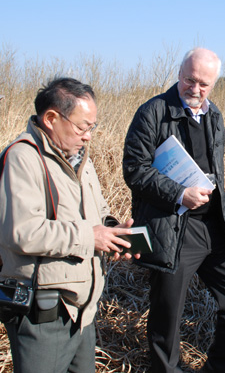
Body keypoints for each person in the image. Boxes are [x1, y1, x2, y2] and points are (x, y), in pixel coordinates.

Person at [123, 48, 225, 373]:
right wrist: (179, 194)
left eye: (203, 84)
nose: (195, 88)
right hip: (173, 227)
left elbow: (218, 173)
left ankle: (221, 367)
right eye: (189, 79)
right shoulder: (152, 111)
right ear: (180, 73)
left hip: (215, 227)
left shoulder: (215, 115)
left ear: (213, 84)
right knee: (167, 313)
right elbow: (134, 169)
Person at [0, 77, 136, 373]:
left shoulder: (80, 160)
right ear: (51, 118)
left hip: (82, 311)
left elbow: (97, 213)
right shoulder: (22, 158)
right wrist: (91, 237)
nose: (88, 136)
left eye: (92, 127)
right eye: (82, 126)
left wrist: (113, 231)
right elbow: (21, 232)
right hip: (44, 313)